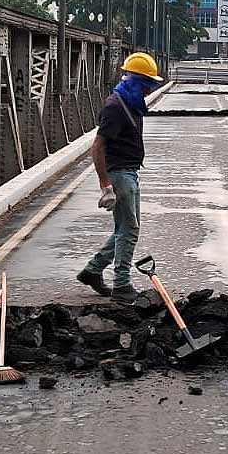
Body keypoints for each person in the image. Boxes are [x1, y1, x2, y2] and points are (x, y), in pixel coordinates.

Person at [77, 52, 163, 304]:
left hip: (129, 172)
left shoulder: (130, 102)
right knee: (129, 229)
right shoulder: (116, 106)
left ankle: (93, 270)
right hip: (120, 174)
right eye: (147, 84)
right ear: (136, 81)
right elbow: (97, 146)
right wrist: (106, 185)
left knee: (124, 228)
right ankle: (122, 284)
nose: (149, 89)